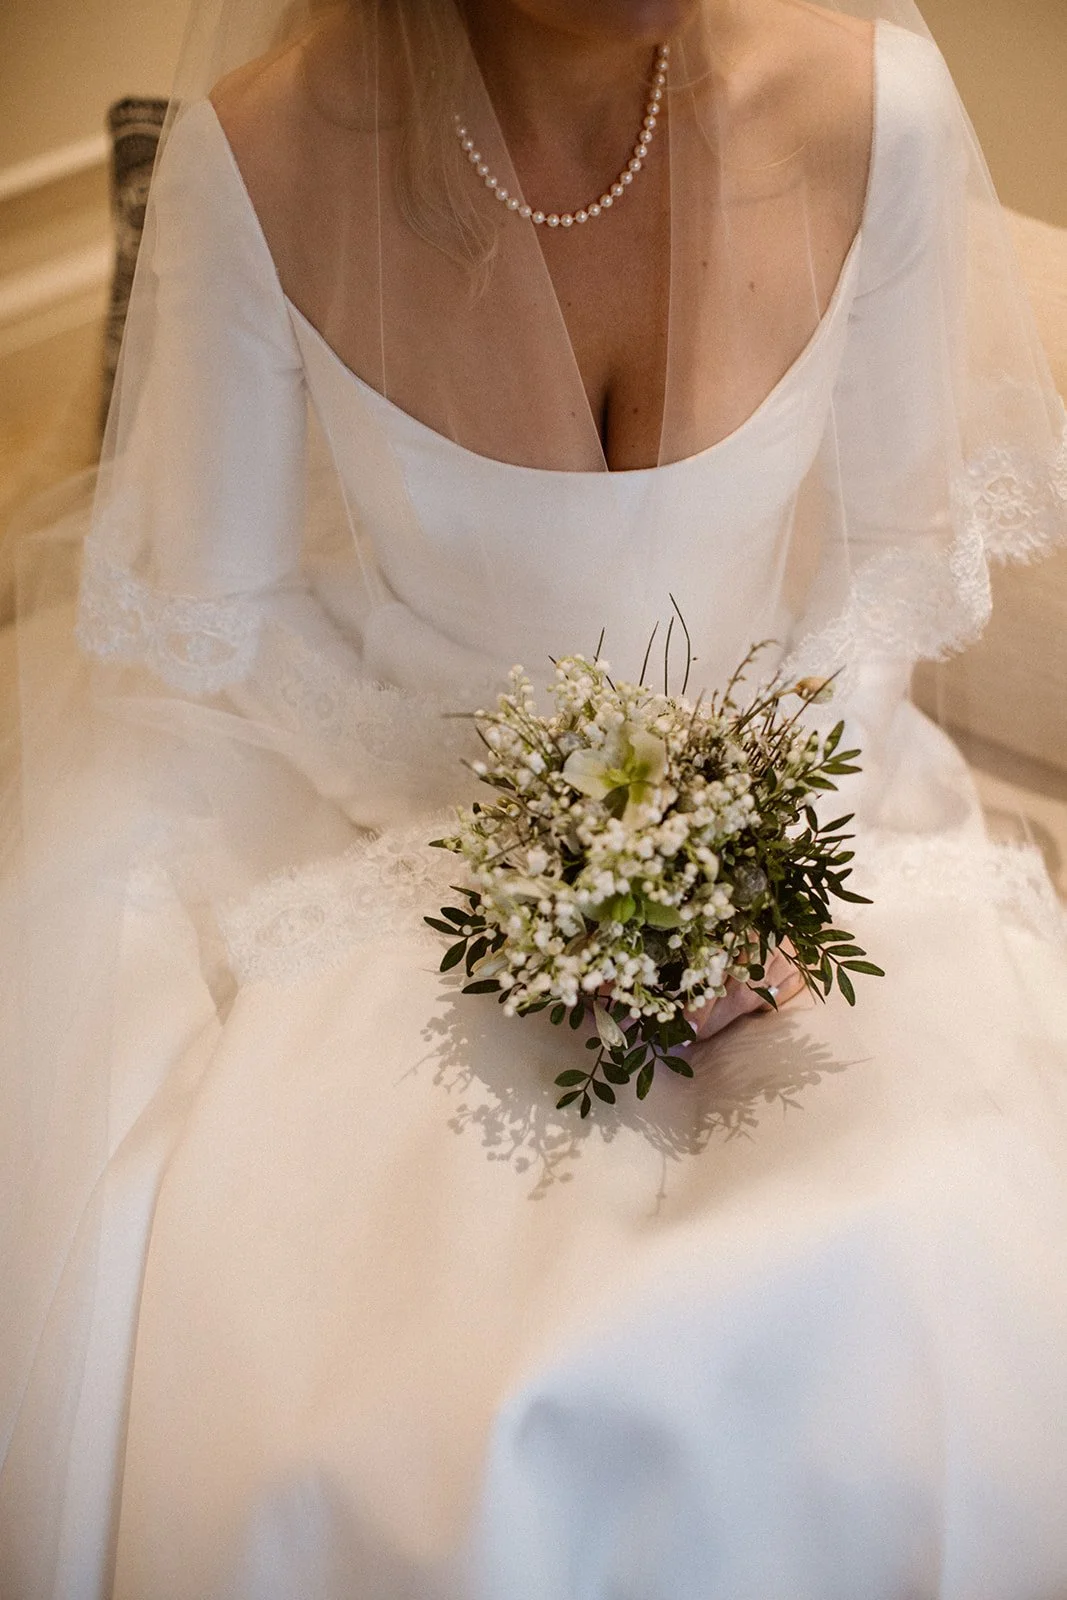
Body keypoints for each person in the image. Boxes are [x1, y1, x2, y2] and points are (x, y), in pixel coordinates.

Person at [2, 0, 1067, 1595]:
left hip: (807, 816)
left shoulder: (875, 106)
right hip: (424, 831)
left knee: (903, 1268)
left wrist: (738, 844)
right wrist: (536, 862)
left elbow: (885, 571)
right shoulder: (259, 156)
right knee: (399, 1378)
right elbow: (232, 620)